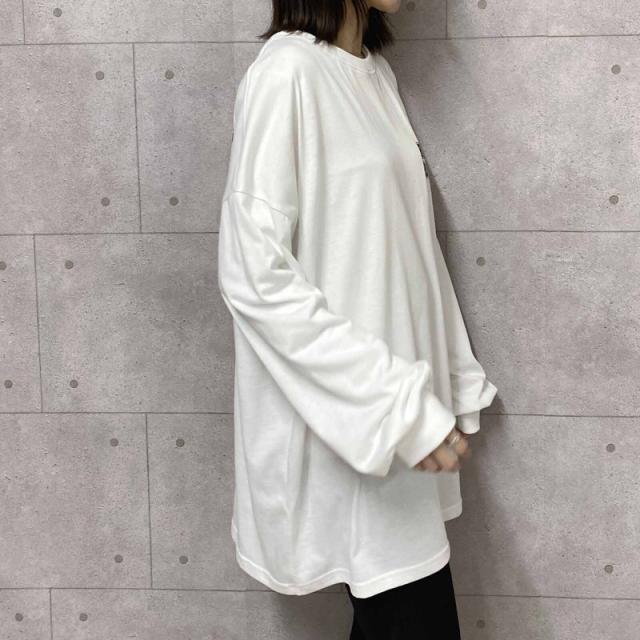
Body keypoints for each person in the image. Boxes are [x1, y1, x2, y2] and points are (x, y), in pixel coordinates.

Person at [217, 1, 498, 637]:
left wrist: (450, 384)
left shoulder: (373, 74)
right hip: (347, 430)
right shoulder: (285, 73)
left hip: (399, 428)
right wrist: (396, 407)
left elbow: (410, 251)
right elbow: (253, 275)